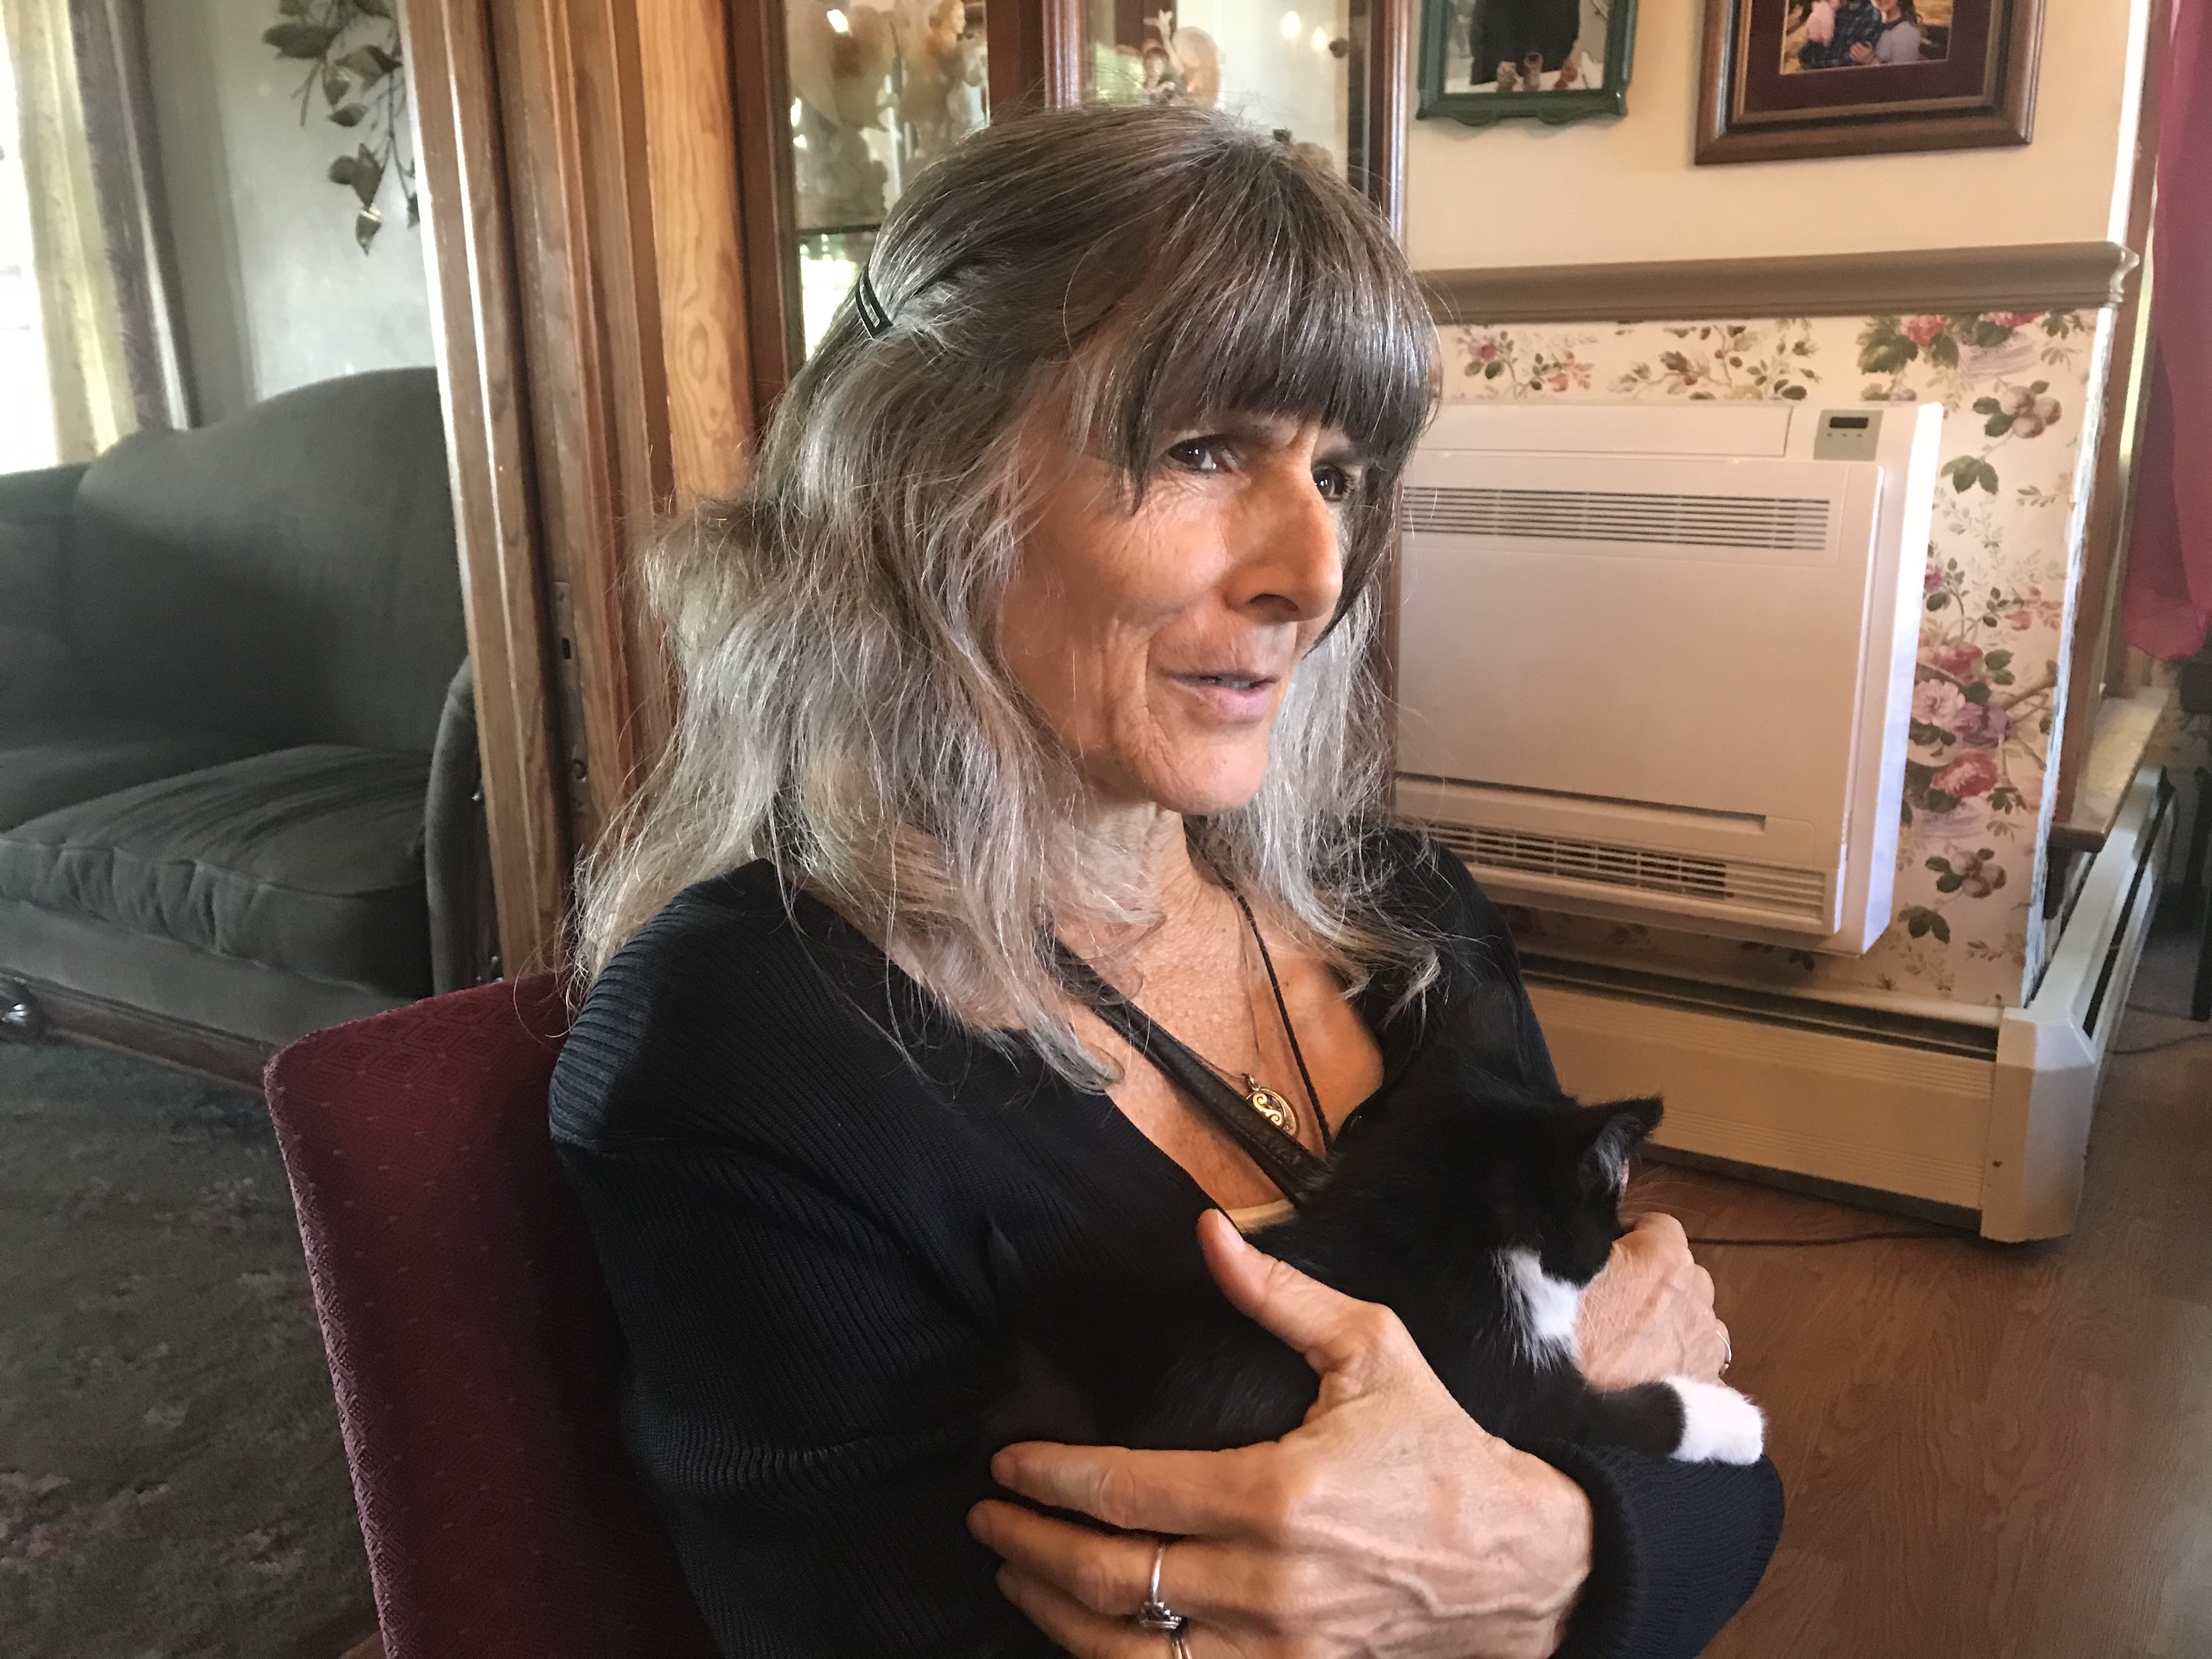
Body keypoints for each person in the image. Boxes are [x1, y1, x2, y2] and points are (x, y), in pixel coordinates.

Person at [550, 102, 1784, 1659]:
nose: (1315, 571)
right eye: (1205, 448)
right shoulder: (747, 1050)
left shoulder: (1404, 920)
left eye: (1339, 473)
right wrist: (1564, 1439)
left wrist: (1554, 1550)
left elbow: (1736, 1505)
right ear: (920, 487)